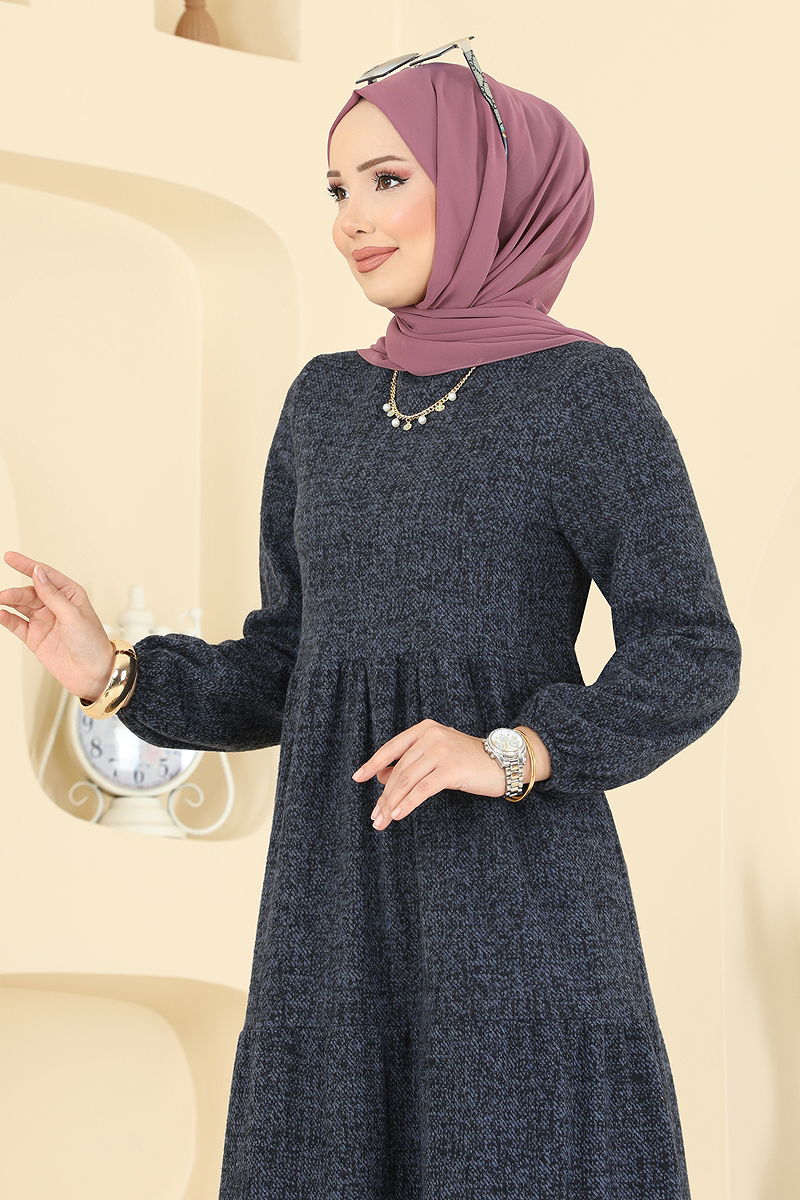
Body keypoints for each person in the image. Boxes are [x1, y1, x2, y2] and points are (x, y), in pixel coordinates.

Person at [0, 56, 741, 1200]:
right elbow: (289, 664)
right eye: (336, 189)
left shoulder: (584, 395)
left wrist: (512, 751)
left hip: (511, 903)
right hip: (331, 906)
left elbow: (690, 649)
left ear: (485, 187)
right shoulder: (324, 401)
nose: (351, 220)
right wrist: (112, 674)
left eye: (387, 180)